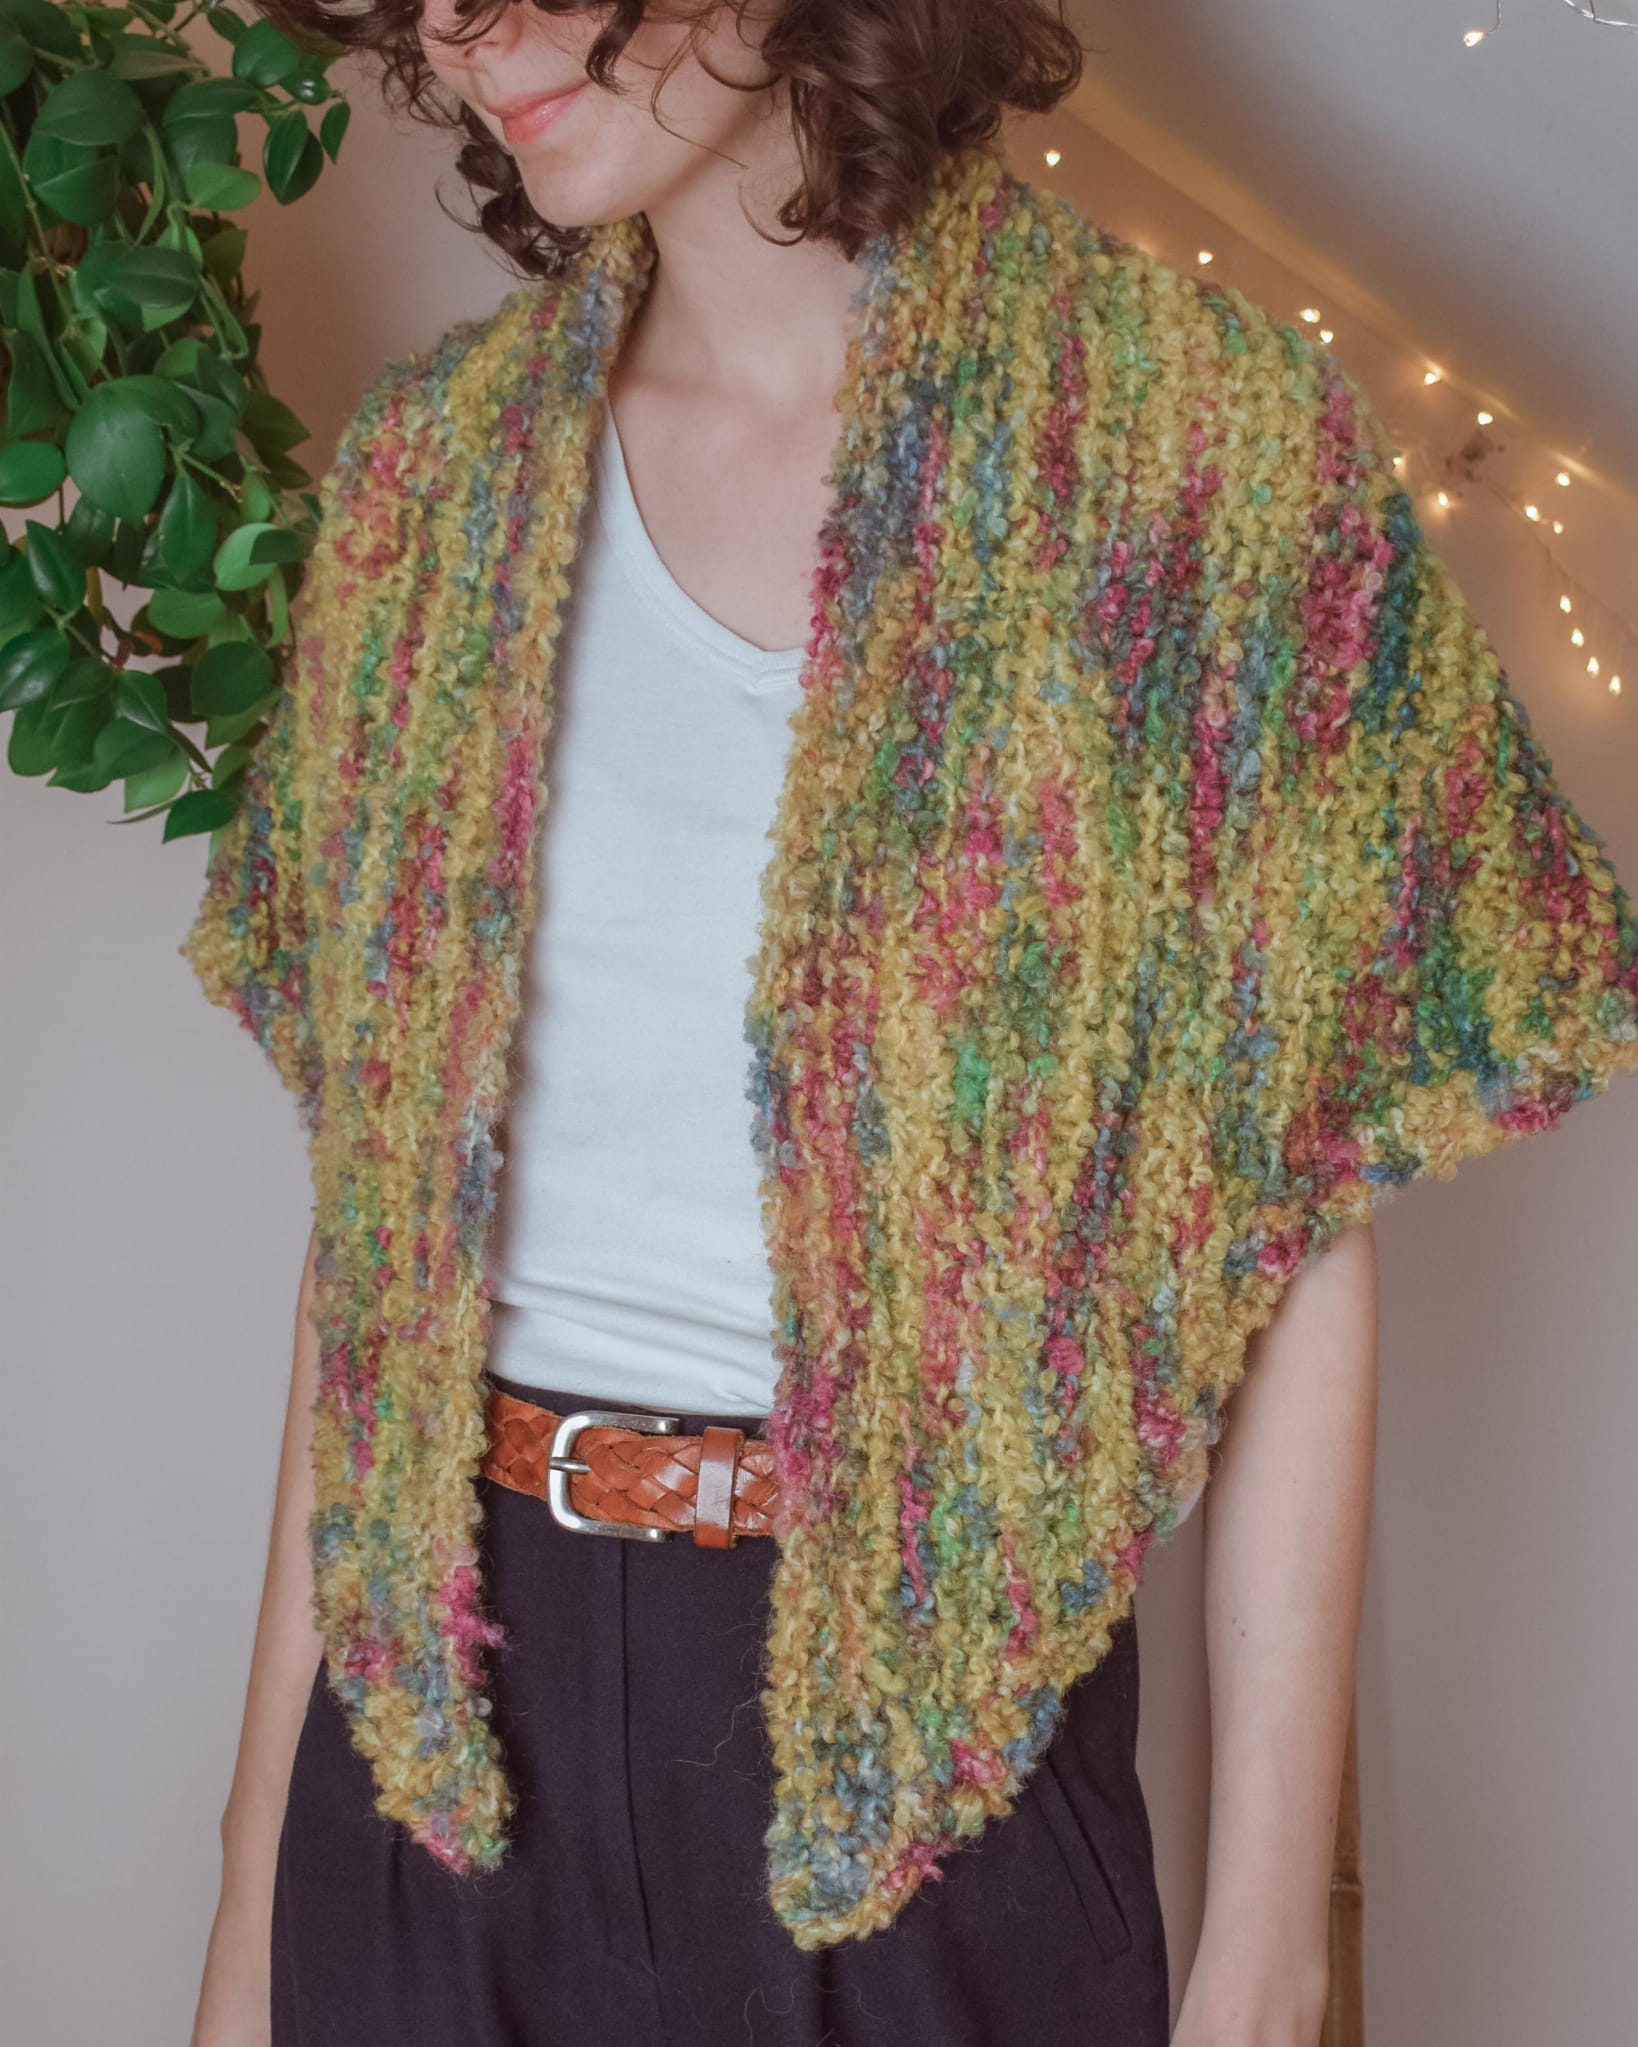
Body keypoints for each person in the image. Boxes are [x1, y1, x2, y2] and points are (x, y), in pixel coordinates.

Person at [183, 4, 1638, 2045]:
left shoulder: (1188, 452)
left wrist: (1268, 1945)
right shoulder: (435, 487)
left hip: (937, 1752)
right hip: (433, 1736)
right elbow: (370, 1255)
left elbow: (1296, 1215)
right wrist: (253, 1891)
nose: (458, 20)